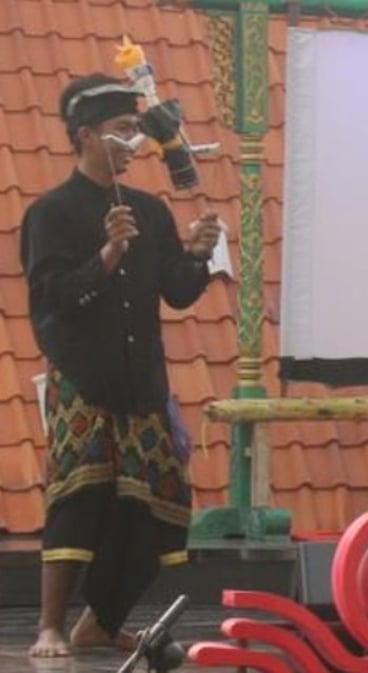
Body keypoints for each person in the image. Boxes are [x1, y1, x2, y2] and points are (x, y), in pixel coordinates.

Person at [20, 73, 222, 657]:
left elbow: (177, 293)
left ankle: (102, 624)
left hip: (144, 384)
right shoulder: (51, 213)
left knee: (159, 509)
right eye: (122, 132)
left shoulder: (150, 209)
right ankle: (50, 626)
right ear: (85, 135)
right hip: (85, 381)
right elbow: (52, 298)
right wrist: (106, 255)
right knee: (78, 500)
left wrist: (200, 255)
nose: (135, 144)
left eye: (138, 131)